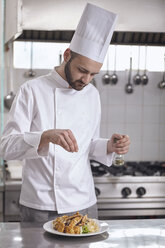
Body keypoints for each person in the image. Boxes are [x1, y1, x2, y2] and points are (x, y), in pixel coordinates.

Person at [0, 3, 130, 222]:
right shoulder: (31, 91)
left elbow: (87, 144)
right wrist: (44, 136)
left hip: (83, 203)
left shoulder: (91, 94)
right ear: (67, 55)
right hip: (39, 205)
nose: (86, 80)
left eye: (93, 74)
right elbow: (6, 147)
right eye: (82, 70)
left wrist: (109, 145)